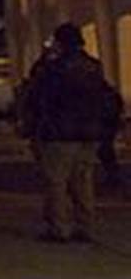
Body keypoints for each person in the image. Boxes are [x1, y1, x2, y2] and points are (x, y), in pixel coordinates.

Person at [20, 23, 118, 242]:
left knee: (57, 181)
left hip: (59, 132)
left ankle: (59, 227)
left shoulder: (55, 68)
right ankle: (86, 226)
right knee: (83, 180)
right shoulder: (94, 67)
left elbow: (37, 94)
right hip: (88, 132)